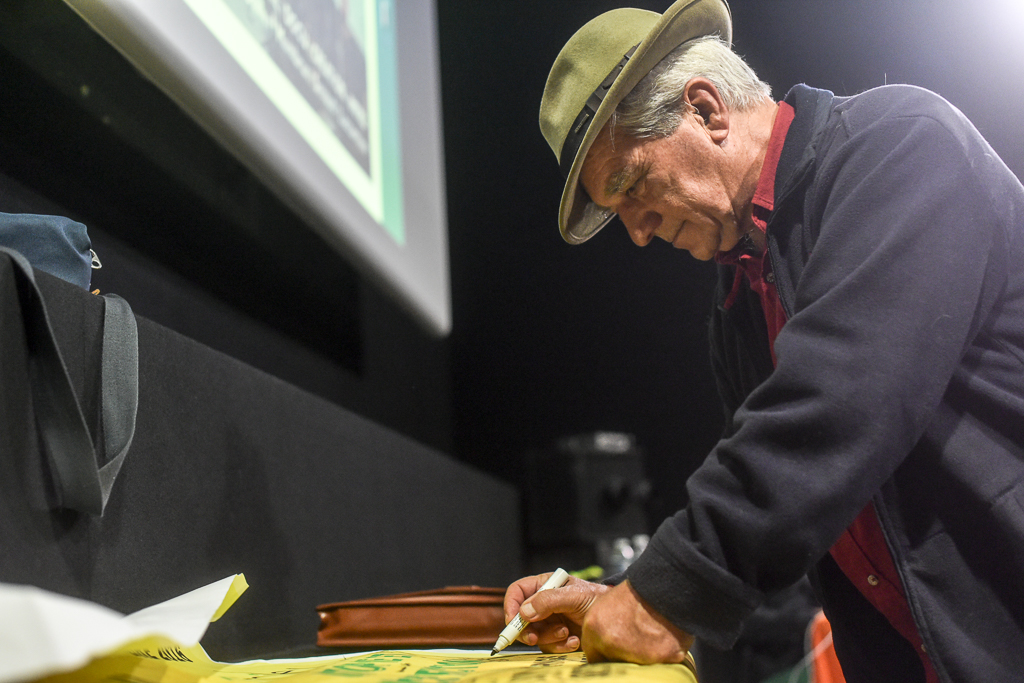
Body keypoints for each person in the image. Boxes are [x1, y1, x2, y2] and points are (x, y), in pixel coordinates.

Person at [502, 1, 1024, 682]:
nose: (637, 232)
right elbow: (780, 493)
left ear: (705, 110)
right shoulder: (739, 297)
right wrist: (627, 592)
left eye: (632, 187)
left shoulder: (900, 146)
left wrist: (664, 592)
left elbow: (841, 403)